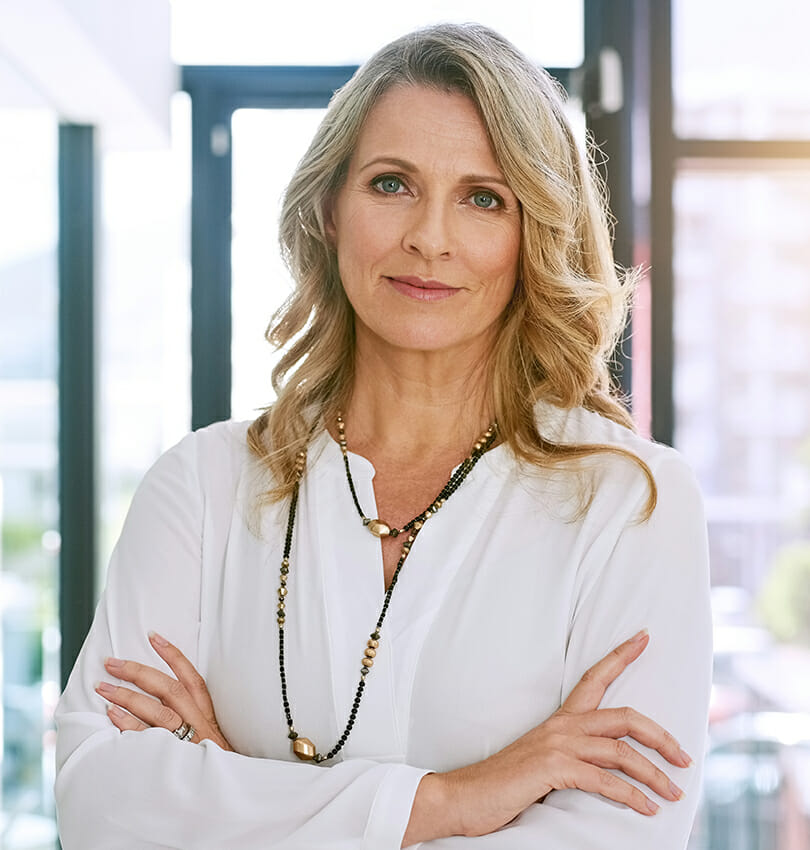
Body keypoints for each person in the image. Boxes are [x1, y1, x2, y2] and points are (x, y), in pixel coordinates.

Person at [55, 22, 712, 849]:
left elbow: (618, 839)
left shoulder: (632, 503)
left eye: (484, 197)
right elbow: (100, 806)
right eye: (392, 183)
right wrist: (451, 802)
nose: (429, 238)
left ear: (533, 233)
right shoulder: (202, 486)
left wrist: (237, 799)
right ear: (330, 209)